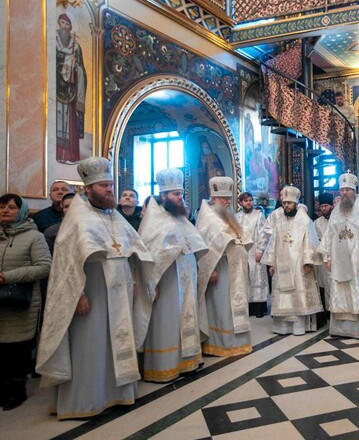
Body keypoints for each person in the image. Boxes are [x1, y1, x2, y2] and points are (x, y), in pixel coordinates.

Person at [37, 157, 154, 419]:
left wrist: (135, 281)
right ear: (88, 189)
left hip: (119, 291)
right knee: (91, 344)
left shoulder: (115, 216)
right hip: (92, 291)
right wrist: (77, 295)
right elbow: (67, 263)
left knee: (116, 341)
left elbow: (134, 249)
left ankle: (117, 394)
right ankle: (85, 401)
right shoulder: (78, 218)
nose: (109, 189)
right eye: (103, 186)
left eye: (110, 185)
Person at [139, 168, 208, 382]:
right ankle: (164, 366)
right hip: (167, 280)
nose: (180, 198)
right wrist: (152, 283)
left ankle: (188, 361)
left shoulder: (181, 218)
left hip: (186, 277)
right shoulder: (153, 220)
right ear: (164, 196)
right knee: (167, 321)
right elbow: (150, 254)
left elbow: (194, 243)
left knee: (186, 317)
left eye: (181, 194)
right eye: (176, 194)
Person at [0, 193, 52, 410]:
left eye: (11, 207)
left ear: (21, 211)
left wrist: (7, 276)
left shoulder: (34, 236)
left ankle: (16, 390)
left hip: (20, 302)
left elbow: (44, 266)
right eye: (2, 207)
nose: (5, 211)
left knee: (16, 349)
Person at [317, 173, 359, 338]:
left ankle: (358, 328)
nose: (344, 193)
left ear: (354, 191)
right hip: (338, 259)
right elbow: (329, 235)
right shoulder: (336, 213)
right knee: (339, 290)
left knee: (357, 289)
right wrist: (327, 258)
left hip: (357, 259)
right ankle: (340, 329)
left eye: (348, 190)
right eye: (342, 190)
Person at [195, 177, 253, 357]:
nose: (228, 201)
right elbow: (204, 244)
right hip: (219, 269)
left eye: (229, 198)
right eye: (224, 198)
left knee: (233, 306)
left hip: (234, 269)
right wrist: (210, 268)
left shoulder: (227, 215)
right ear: (214, 198)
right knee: (222, 307)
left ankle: (239, 342)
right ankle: (220, 343)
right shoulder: (207, 217)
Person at [259, 186, 323, 335]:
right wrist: (271, 263)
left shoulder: (304, 220)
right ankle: (282, 327)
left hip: (299, 264)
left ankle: (299, 327)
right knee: (282, 296)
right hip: (281, 263)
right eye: (284, 203)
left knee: (298, 296)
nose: (286, 206)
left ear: (296, 203)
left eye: (289, 203)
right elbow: (272, 241)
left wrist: (308, 262)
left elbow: (310, 241)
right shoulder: (277, 218)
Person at [56, 13, 86, 164]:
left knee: (68, 121)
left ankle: (69, 154)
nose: (64, 27)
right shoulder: (52, 42)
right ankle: (56, 153)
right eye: (62, 23)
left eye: (67, 24)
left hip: (70, 90)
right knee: (56, 119)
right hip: (55, 89)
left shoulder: (76, 47)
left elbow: (81, 70)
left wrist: (74, 65)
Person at [238, 192, 269, 318]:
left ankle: (260, 308)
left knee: (258, 278)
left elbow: (263, 234)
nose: (248, 203)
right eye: (246, 201)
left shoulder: (258, 215)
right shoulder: (237, 217)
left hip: (255, 251)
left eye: (250, 200)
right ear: (241, 203)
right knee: (245, 279)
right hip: (242, 252)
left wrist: (260, 250)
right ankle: (249, 308)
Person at [313, 192, 334, 320]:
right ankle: (326, 313)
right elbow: (314, 240)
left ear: (331, 206)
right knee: (323, 285)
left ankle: (334, 312)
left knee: (333, 285)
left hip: (335, 258)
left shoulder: (337, 219)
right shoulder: (316, 222)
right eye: (322, 206)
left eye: (326, 206)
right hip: (322, 258)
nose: (323, 208)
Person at [196, 136, 225, 202]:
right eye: (204, 146)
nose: (206, 147)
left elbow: (220, 167)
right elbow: (200, 172)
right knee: (209, 195)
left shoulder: (214, 156)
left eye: (207, 145)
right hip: (207, 180)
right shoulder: (201, 158)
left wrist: (219, 171)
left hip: (216, 178)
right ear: (202, 148)